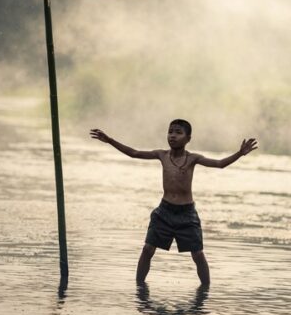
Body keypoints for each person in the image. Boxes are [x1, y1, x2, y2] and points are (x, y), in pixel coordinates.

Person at [90, 119, 257, 285]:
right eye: (170, 132)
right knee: (148, 249)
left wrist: (239, 153)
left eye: (178, 132)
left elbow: (219, 164)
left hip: (187, 214)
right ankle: (139, 289)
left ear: (188, 138)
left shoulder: (192, 159)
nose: (172, 136)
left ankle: (205, 291)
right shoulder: (162, 155)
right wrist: (110, 140)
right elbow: (134, 153)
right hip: (164, 211)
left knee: (198, 254)